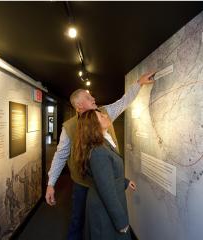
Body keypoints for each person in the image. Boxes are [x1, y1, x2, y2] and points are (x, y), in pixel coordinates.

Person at [46, 71, 155, 240]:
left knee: (99, 224)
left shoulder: (104, 112)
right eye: (89, 98)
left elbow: (123, 101)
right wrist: (51, 183)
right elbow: (60, 156)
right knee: (78, 222)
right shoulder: (69, 127)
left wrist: (139, 83)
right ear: (79, 106)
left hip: (104, 183)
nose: (94, 99)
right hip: (84, 184)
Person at [72, 109, 131, 240]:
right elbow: (107, 192)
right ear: (94, 125)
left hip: (103, 204)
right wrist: (121, 221)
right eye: (101, 116)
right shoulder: (99, 152)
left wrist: (125, 182)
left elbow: (108, 173)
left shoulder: (103, 143)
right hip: (104, 210)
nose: (106, 116)